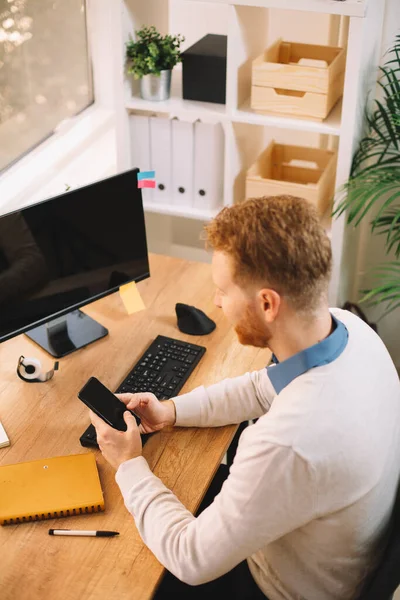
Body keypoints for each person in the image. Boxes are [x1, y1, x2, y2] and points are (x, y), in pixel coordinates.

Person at [89, 195, 400, 600]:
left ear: (267, 303)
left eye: (222, 289)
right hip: (335, 554)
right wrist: (170, 411)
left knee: (115, 572)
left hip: (276, 589)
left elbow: (191, 558)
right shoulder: (353, 332)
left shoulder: (288, 442)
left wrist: (129, 463)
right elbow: (260, 386)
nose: (217, 302)